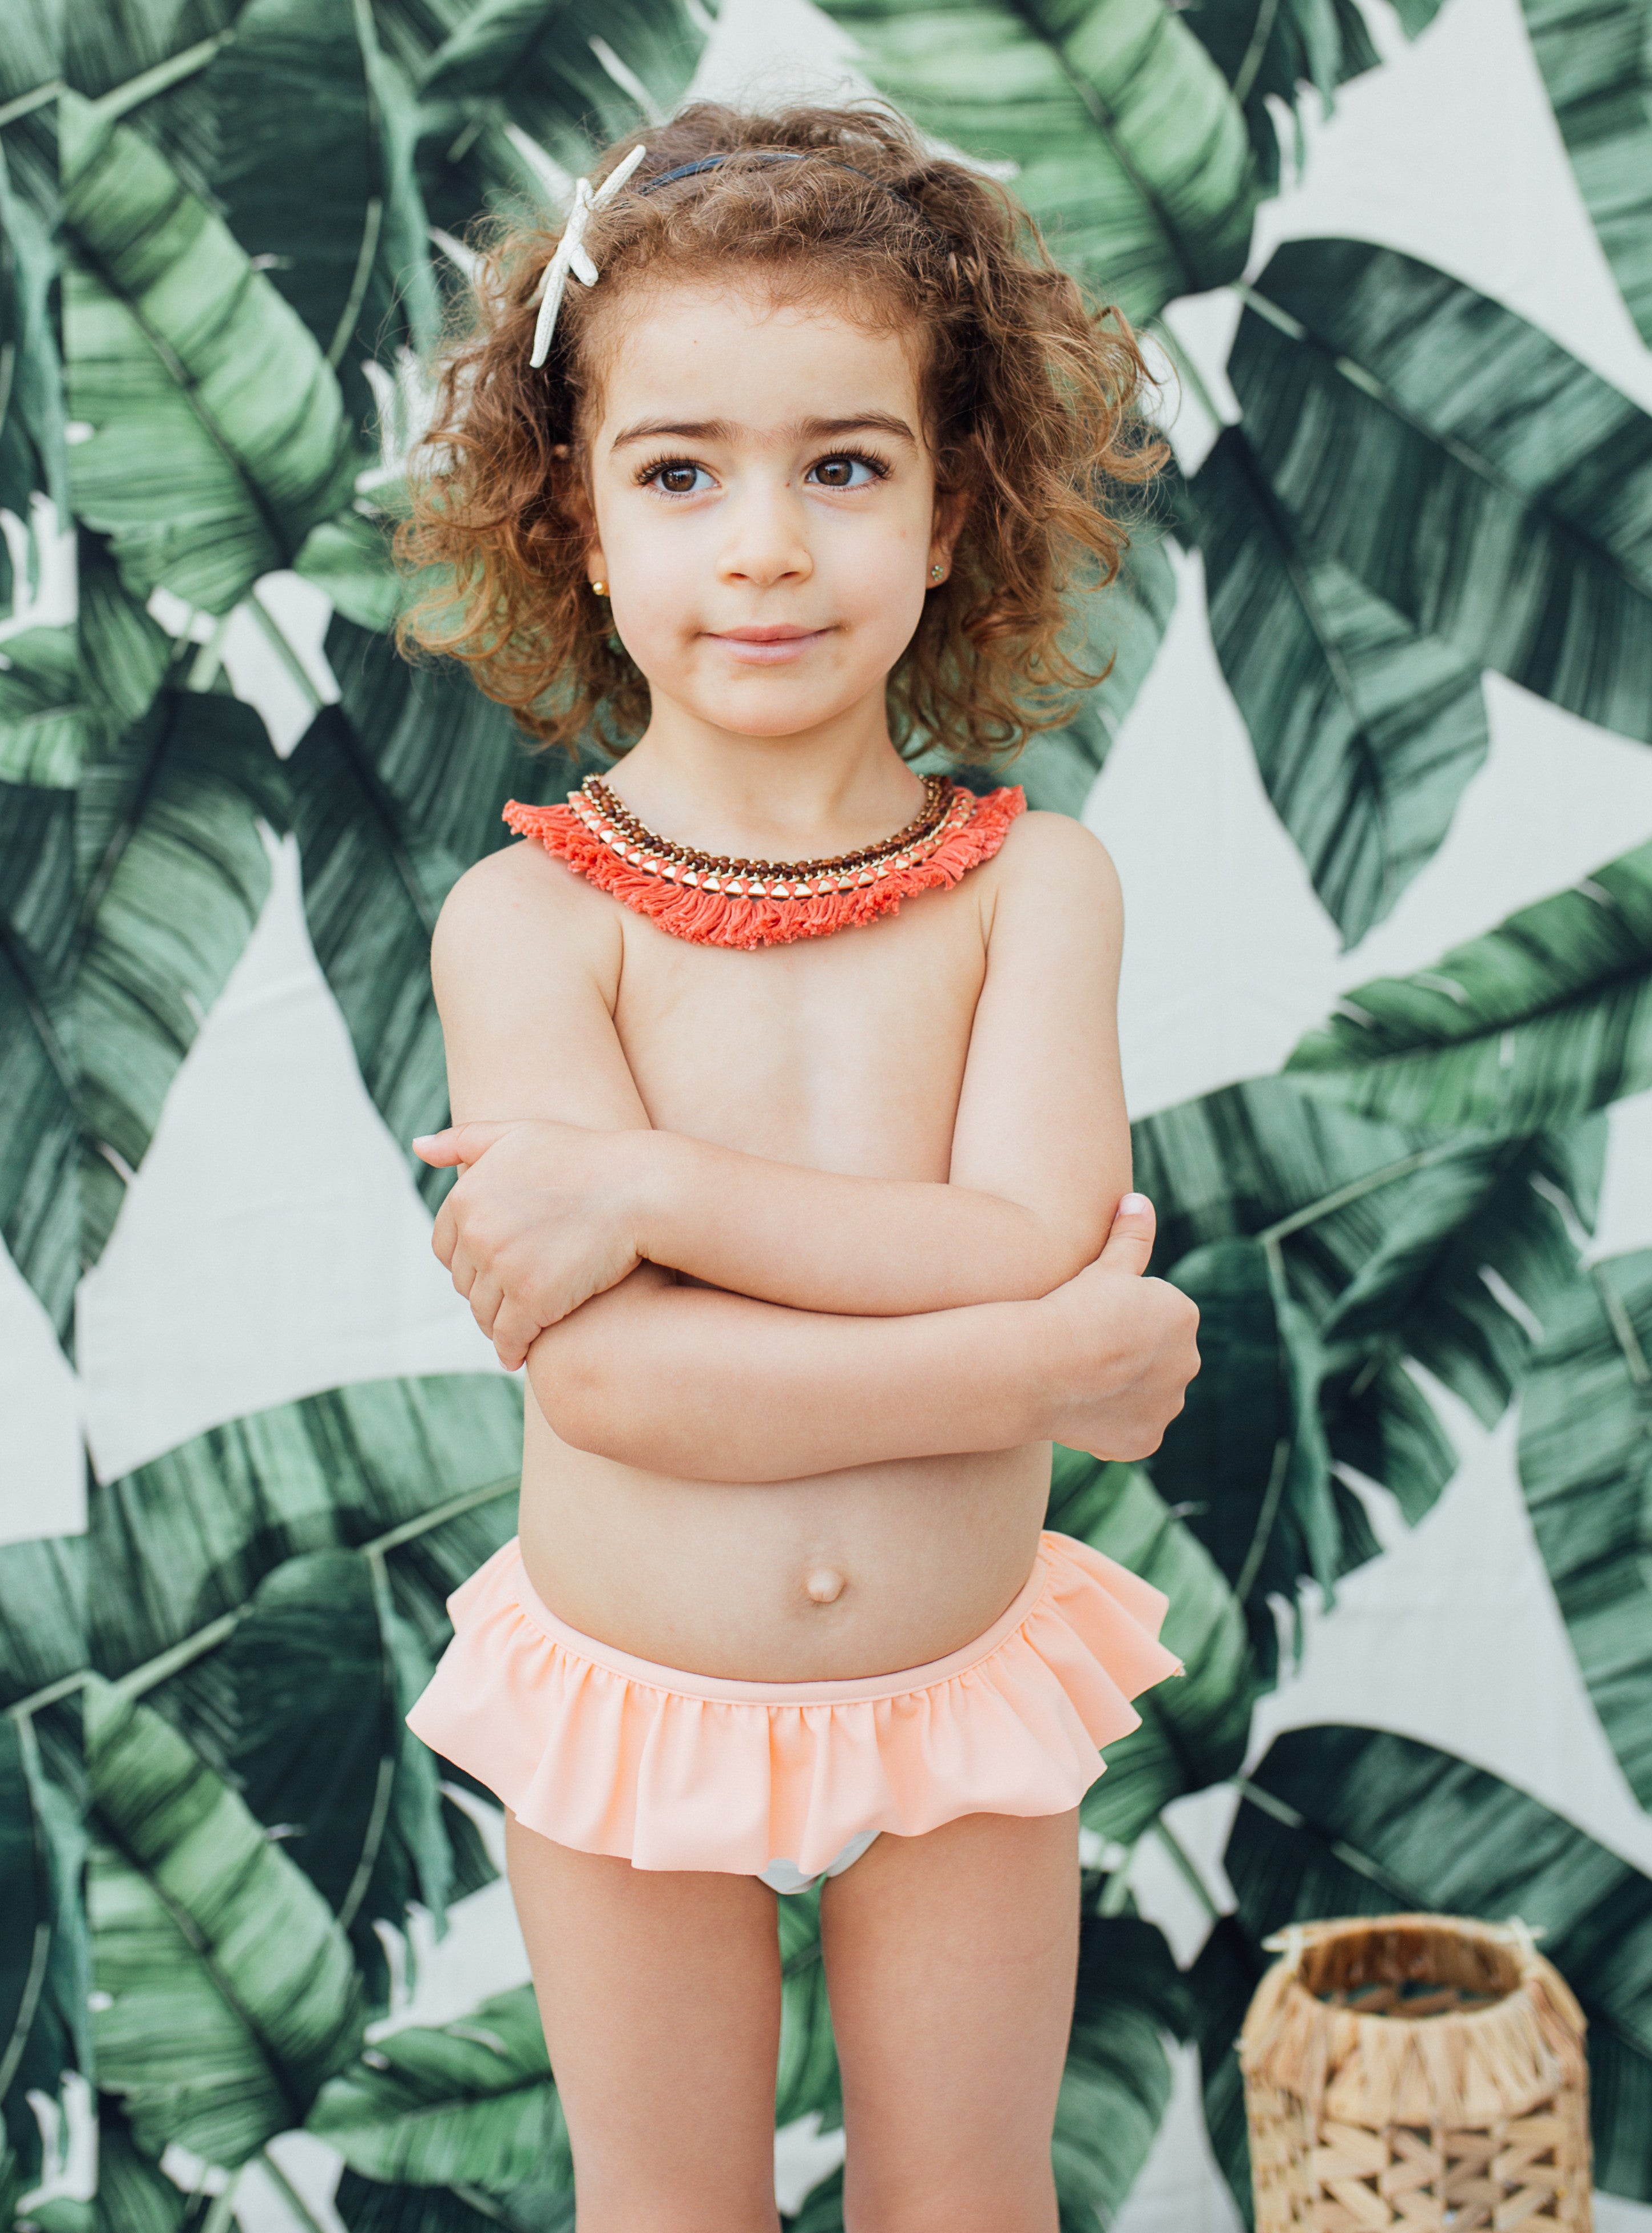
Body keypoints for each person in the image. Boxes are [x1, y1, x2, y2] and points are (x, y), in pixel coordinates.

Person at [399, 101, 1202, 2233]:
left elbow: (1026, 1231)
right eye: (680, 474)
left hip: (956, 1696)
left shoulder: (1037, 890)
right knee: (668, 2211)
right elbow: (619, 1393)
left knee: (968, 2198)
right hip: (630, 1697)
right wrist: (1042, 1368)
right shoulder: (533, 924)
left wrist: (652, 1196)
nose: (762, 544)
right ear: (574, 521)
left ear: (957, 513)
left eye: (842, 465)